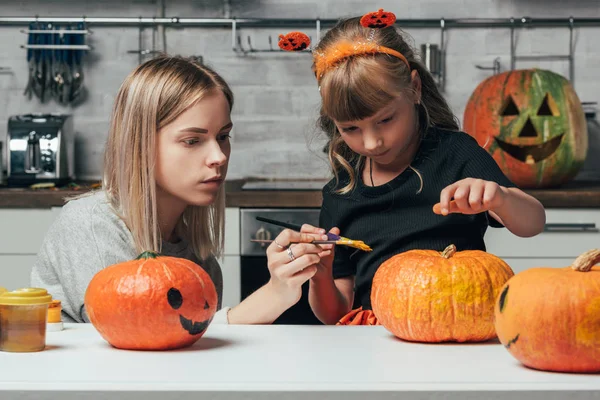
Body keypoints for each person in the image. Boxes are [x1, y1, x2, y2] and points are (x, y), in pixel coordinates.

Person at [30, 55, 330, 325]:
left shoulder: (198, 259)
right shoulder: (90, 225)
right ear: (140, 144)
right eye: (192, 141)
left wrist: (284, 288)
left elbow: (186, 358)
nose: (219, 156)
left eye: (223, 136)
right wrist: (274, 296)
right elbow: (140, 335)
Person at [293, 10, 546, 325]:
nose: (372, 143)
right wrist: (320, 274)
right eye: (351, 129)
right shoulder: (341, 192)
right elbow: (336, 313)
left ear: (414, 88)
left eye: (385, 120)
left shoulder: (456, 154)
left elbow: (533, 223)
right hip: (378, 339)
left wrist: (500, 198)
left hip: (460, 326)